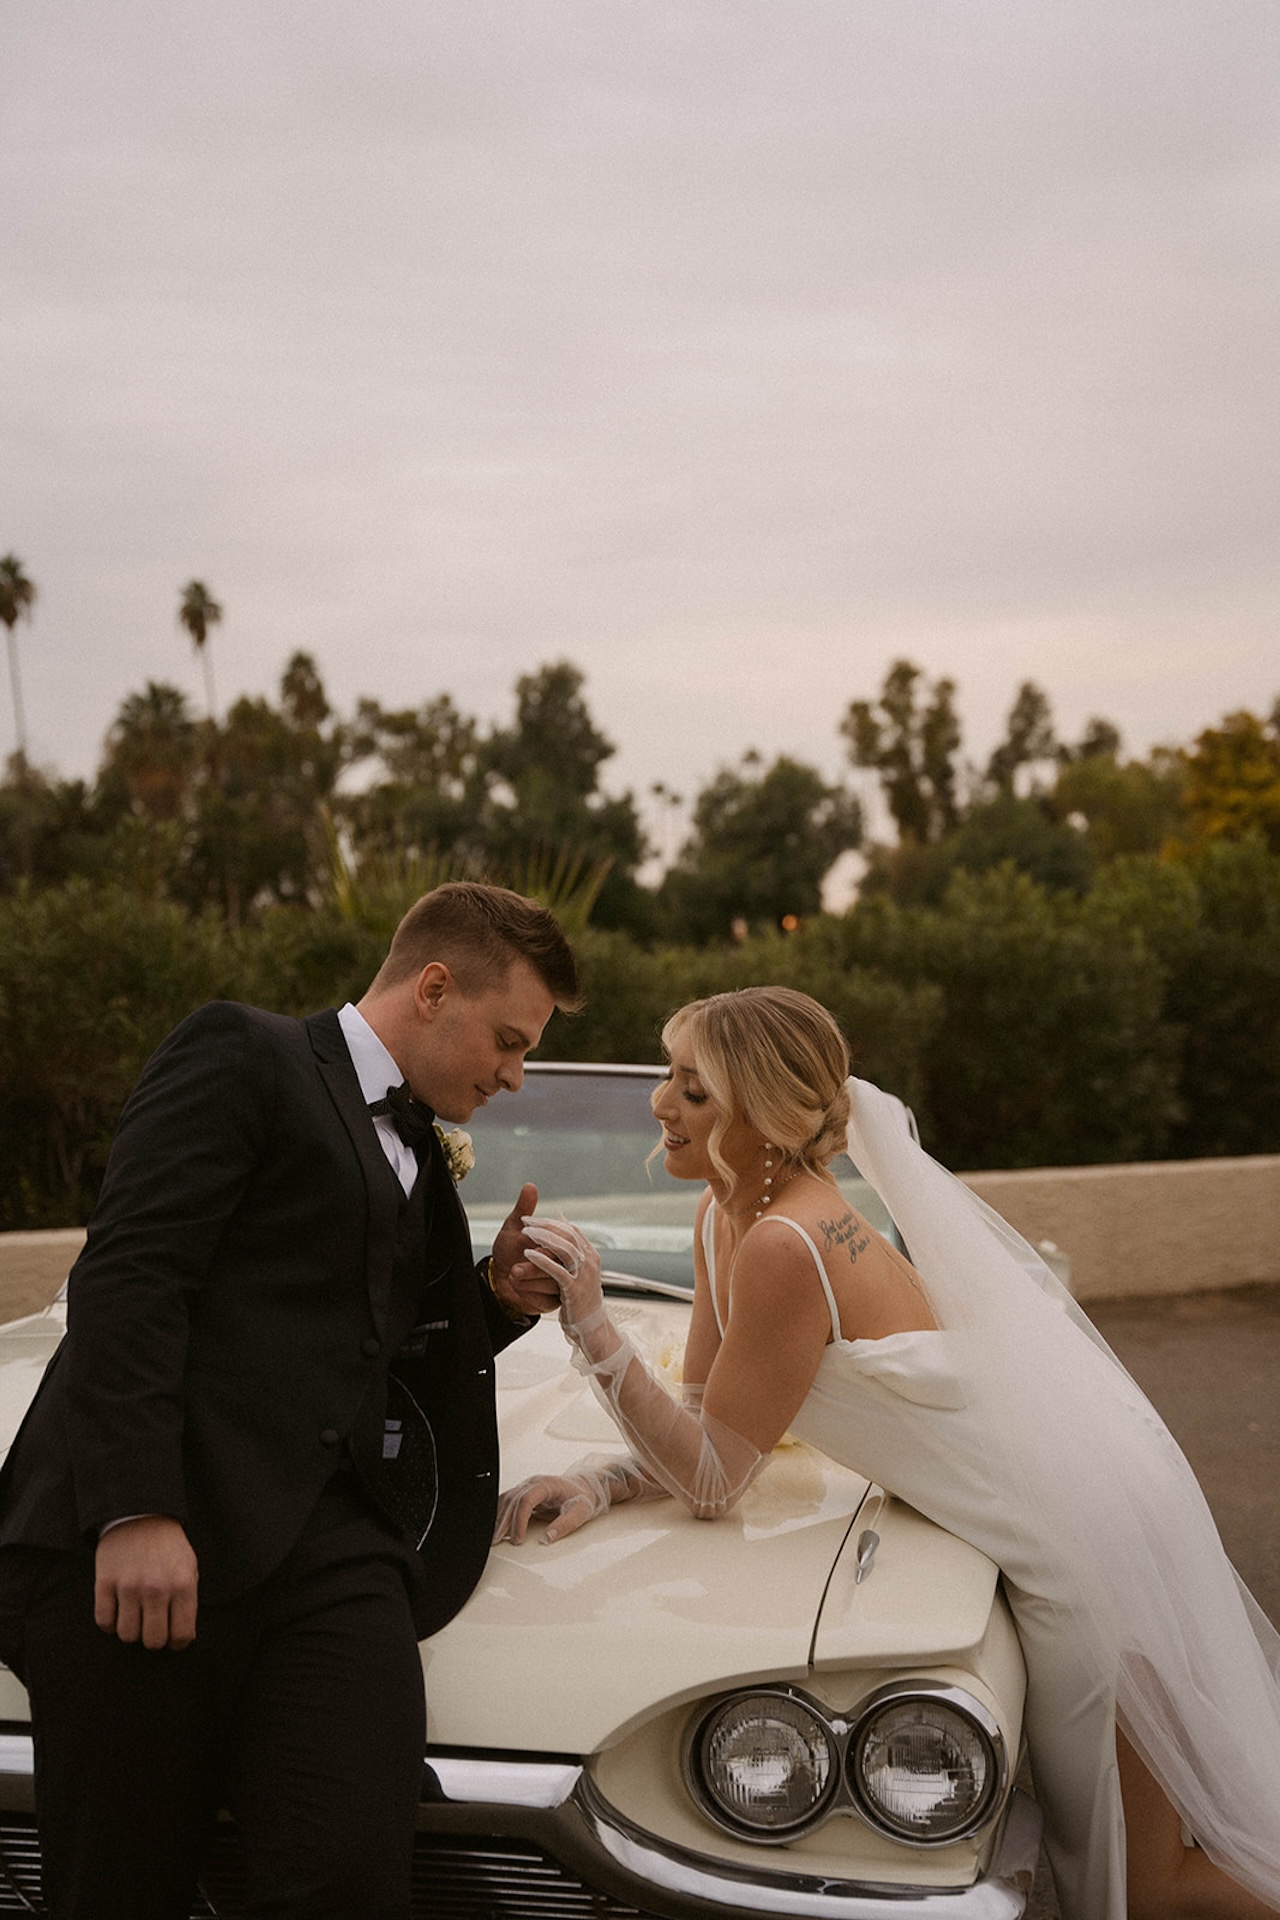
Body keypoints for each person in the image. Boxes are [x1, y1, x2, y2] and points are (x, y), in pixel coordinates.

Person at [497, 985, 1280, 1920]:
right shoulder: (727, 1216)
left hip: (1084, 1551)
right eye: (669, 1078)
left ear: (766, 1115)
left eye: (693, 1089)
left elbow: (713, 1481)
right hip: (1061, 1523)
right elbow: (710, 1423)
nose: (661, 1103)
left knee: (1139, 1888)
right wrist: (602, 1477)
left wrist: (587, 1321)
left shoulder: (788, 1242)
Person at [0, 881, 578, 1920]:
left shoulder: (418, 1150)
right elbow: (132, 1275)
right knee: (117, 1892)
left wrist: (491, 1301)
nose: (513, 1074)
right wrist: (136, 1508)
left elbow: (359, 1345)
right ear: (434, 987)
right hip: (139, 1537)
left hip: (328, 1552)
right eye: (507, 1040)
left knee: (348, 1879)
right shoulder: (243, 1053)